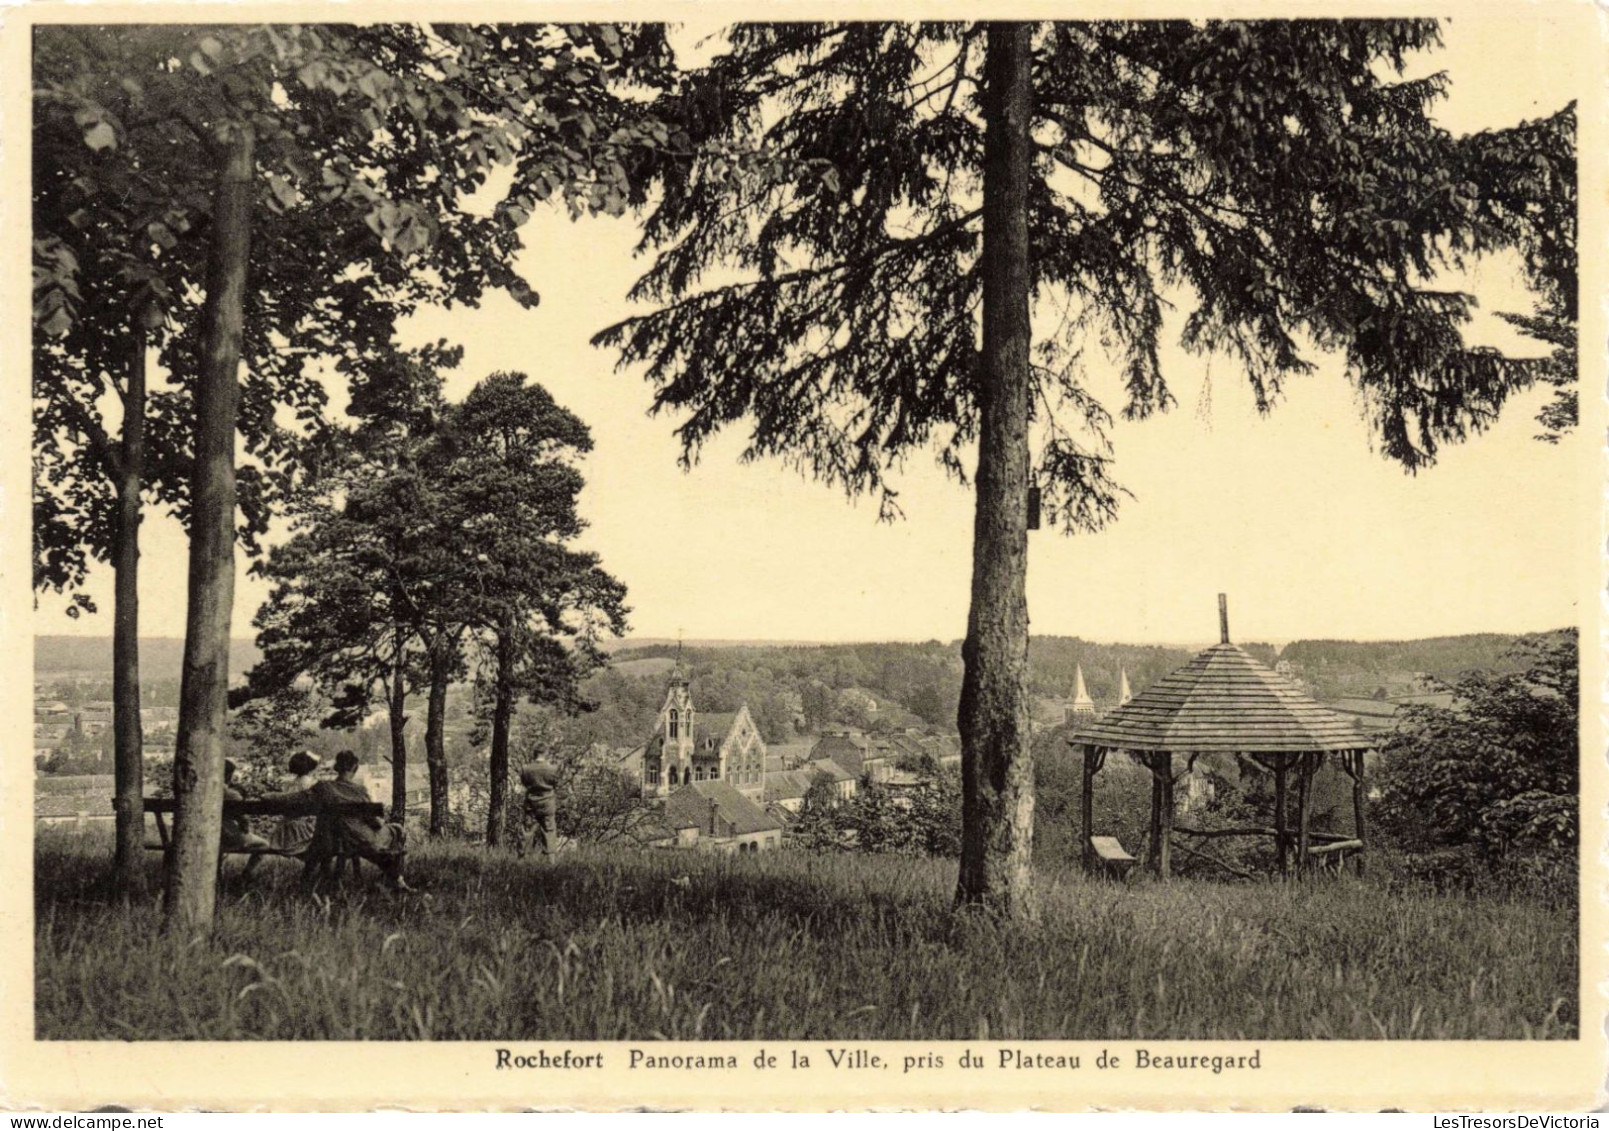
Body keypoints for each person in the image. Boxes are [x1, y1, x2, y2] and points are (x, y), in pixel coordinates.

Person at [282, 751, 413, 892]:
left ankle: (391, 877)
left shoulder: (323, 787)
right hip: (362, 840)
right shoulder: (359, 790)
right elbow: (374, 823)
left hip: (336, 840)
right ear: (354, 768)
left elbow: (294, 799)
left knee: (389, 837)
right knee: (398, 830)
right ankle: (395, 879)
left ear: (337, 767)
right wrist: (381, 824)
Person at [264, 751, 321, 856]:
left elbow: (285, 798)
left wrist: (269, 795)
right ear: (311, 767)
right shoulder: (311, 783)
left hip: (284, 831)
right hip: (302, 831)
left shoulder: (292, 784)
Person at [221, 760, 271, 853]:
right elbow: (243, 822)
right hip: (229, 836)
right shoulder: (231, 794)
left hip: (216, 834)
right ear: (229, 775)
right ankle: (248, 868)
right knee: (265, 845)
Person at [518, 758, 560, 857]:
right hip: (547, 803)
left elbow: (524, 783)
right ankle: (551, 863)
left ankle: (522, 862)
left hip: (531, 803)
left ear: (534, 754)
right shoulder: (552, 769)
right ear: (545, 753)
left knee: (527, 830)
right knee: (549, 830)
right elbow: (556, 783)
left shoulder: (526, 769)